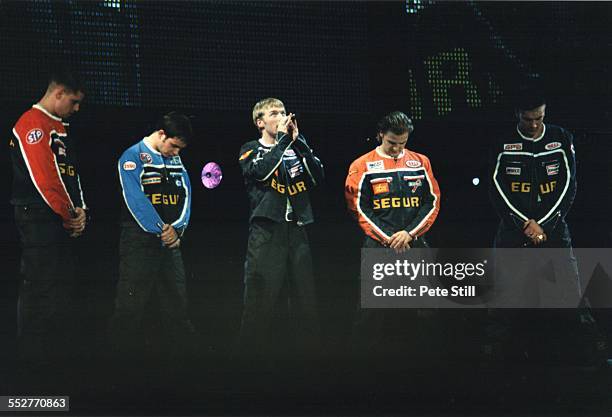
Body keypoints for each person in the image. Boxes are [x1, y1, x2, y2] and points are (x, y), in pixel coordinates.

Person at [487, 88, 603, 364]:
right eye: (528, 119)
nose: (535, 124)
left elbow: (568, 185)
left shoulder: (561, 138)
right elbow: (496, 187)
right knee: (503, 292)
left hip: (554, 228)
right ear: (518, 115)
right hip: (513, 229)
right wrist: (523, 223)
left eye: (539, 117)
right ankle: (491, 356)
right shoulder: (502, 142)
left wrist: (545, 224)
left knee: (570, 290)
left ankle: (592, 352)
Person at [344, 111, 441, 355]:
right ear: (380, 136)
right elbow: (357, 207)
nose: (398, 149)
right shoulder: (361, 165)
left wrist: (409, 233)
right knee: (370, 312)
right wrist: (389, 237)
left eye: (402, 143)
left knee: (425, 309)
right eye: (392, 143)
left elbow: (432, 202)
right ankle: (361, 367)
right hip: (378, 247)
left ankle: (427, 365)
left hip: (415, 245)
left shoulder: (421, 162)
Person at [237, 97, 324, 363]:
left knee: (304, 298)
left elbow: (317, 176)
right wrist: (285, 141)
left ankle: (310, 359)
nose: (282, 116)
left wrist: (300, 143)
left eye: (284, 111)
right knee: (260, 298)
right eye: (275, 113)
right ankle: (248, 361)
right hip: (266, 232)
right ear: (260, 122)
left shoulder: (294, 147)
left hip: (296, 230)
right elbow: (261, 173)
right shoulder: (251, 148)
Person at [9, 70, 87, 363]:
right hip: (38, 216)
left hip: (60, 216)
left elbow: (70, 173)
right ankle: (32, 362)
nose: (77, 109)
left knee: (59, 287)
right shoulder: (32, 123)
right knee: (39, 286)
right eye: (74, 101)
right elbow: (44, 178)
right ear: (58, 94)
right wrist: (69, 214)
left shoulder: (60, 126)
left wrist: (81, 211)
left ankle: (53, 358)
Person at [110, 112, 197, 360]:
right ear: (161, 134)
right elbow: (134, 199)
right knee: (130, 306)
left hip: (171, 242)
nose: (177, 153)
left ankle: (187, 367)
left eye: (181, 148)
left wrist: (177, 229)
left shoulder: (176, 161)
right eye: (174, 146)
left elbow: (187, 197)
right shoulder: (132, 156)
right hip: (139, 241)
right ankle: (116, 365)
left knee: (177, 306)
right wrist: (161, 228)